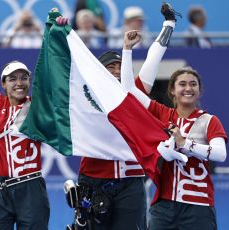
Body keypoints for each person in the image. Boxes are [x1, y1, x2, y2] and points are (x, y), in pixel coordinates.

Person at [76, 3, 179, 229]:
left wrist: (169, 24)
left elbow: (153, 57)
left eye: (118, 67)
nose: (114, 71)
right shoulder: (84, 97)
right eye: (109, 67)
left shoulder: (136, 93)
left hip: (131, 179)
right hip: (93, 178)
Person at [0, 11, 67, 229]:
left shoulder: (37, 106)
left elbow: (57, 74)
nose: (19, 83)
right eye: (13, 79)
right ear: (3, 84)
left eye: (24, 78)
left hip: (30, 187)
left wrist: (59, 36)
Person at [121, 29, 228, 230]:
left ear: (199, 91)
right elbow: (128, 91)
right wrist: (127, 50)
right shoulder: (162, 113)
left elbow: (221, 154)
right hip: (164, 205)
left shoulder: (210, 121)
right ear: (172, 90)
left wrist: (185, 144)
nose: (188, 88)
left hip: (199, 205)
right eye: (182, 84)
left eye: (193, 84)